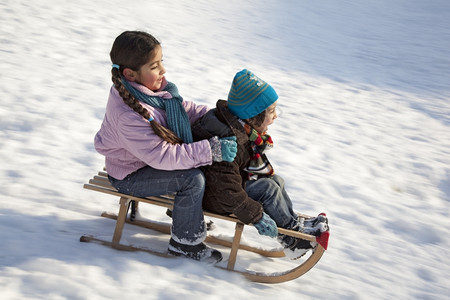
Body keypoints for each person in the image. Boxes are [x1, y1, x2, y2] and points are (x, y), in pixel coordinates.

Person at [94, 31, 237, 263]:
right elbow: (164, 157)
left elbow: (183, 111)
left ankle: (185, 213)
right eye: (154, 66)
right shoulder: (128, 115)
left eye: (162, 62)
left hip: (146, 163)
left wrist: (216, 117)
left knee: (198, 163)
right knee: (192, 178)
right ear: (130, 73)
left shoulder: (148, 92)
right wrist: (210, 150)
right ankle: (184, 241)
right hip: (130, 175)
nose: (163, 70)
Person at [192, 69, 329, 259]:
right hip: (215, 196)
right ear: (252, 115)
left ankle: (292, 222)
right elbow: (226, 189)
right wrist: (255, 215)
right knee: (268, 189)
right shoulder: (230, 142)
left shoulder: (241, 129)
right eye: (271, 111)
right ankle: (291, 238)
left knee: (276, 181)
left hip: (224, 188)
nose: (275, 116)